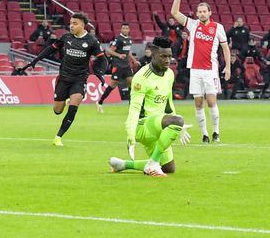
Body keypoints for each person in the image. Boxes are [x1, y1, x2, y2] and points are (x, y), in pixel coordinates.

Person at [108, 37, 192, 177]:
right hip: (143, 126)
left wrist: (177, 123)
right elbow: (134, 108)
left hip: (158, 126)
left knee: (168, 168)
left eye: (170, 56)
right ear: (153, 55)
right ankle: (152, 163)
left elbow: (168, 102)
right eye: (163, 56)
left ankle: (122, 164)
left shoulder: (169, 74)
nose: (167, 60)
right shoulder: (141, 77)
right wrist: (130, 134)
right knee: (177, 121)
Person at [22, 13, 108, 146]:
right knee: (57, 111)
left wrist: (100, 72)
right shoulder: (66, 37)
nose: (71, 26)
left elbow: (102, 59)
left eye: (75, 23)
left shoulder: (92, 41)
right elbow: (51, 49)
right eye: (71, 23)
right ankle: (65, 97)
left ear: (82, 25)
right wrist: (36, 60)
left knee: (74, 106)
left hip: (79, 78)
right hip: (64, 78)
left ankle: (58, 137)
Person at [171, 0, 231, 143]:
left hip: (210, 70)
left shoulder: (218, 27)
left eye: (205, 11)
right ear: (197, 13)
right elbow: (174, 12)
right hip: (195, 70)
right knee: (198, 103)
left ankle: (216, 132)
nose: (202, 13)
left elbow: (225, 47)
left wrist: (228, 66)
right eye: (199, 11)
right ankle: (204, 134)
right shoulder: (193, 24)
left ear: (210, 12)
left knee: (211, 101)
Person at [96, 23, 140, 112]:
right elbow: (109, 51)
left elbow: (128, 51)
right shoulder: (118, 39)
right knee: (113, 85)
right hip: (118, 65)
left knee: (132, 85)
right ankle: (100, 102)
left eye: (126, 28)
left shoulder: (129, 40)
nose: (125, 30)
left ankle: (131, 107)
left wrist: (134, 61)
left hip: (127, 65)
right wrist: (119, 55)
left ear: (129, 30)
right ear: (121, 29)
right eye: (123, 28)